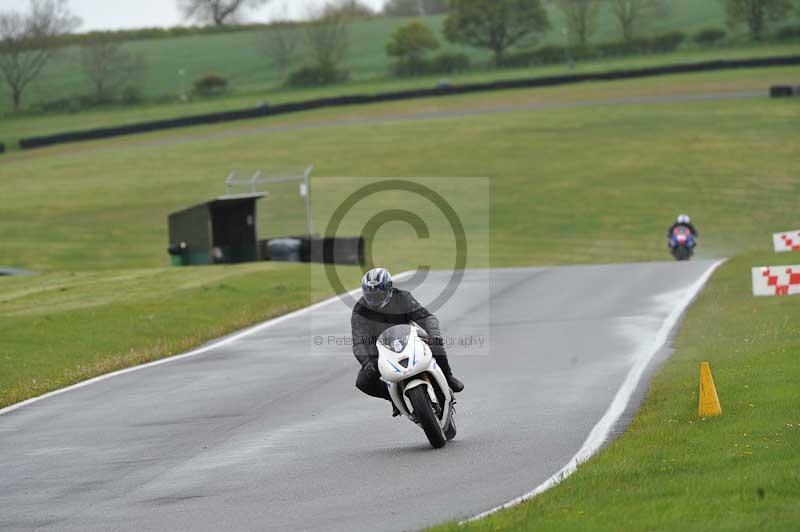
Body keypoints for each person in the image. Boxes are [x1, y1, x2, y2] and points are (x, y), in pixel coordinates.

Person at [352, 267, 464, 416]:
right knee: (363, 382)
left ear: (389, 289)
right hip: (381, 350)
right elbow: (359, 341)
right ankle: (393, 398)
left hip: (410, 339)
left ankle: (448, 378)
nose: (374, 299)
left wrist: (433, 334)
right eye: (370, 295)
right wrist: (368, 362)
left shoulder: (402, 297)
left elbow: (425, 317)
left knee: (436, 345)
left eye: (378, 294)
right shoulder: (360, 309)